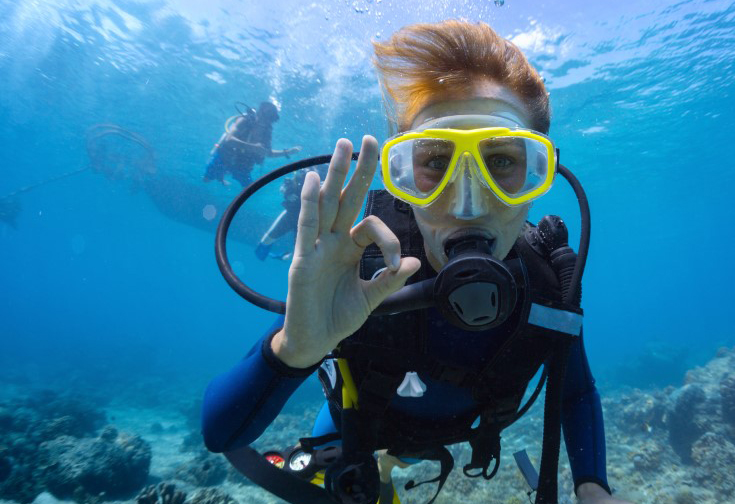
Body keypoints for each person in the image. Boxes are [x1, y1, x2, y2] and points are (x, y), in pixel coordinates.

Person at [202, 21, 632, 504]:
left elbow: (574, 392)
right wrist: (293, 348)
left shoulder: (548, 285)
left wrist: (592, 488)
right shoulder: (358, 271)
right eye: (433, 162)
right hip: (354, 436)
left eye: (504, 162)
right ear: (399, 177)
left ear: (541, 173)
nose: (468, 206)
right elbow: (220, 435)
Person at [203, 101, 302, 187]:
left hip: (242, 166)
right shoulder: (244, 121)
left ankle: (222, 176)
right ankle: (221, 177)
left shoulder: (267, 133)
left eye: (270, 120)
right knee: (206, 179)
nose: (266, 122)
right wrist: (253, 147)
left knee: (250, 188)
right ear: (259, 113)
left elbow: (268, 153)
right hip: (224, 159)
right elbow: (228, 139)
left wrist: (287, 152)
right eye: (265, 117)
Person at [255, 165, 328, 261]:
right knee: (265, 241)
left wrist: (325, 188)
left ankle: (284, 257)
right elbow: (284, 186)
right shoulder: (300, 175)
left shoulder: (325, 179)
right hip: (291, 214)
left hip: (308, 219)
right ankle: (272, 255)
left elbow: (331, 198)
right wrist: (287, 193)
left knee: (300, 252)